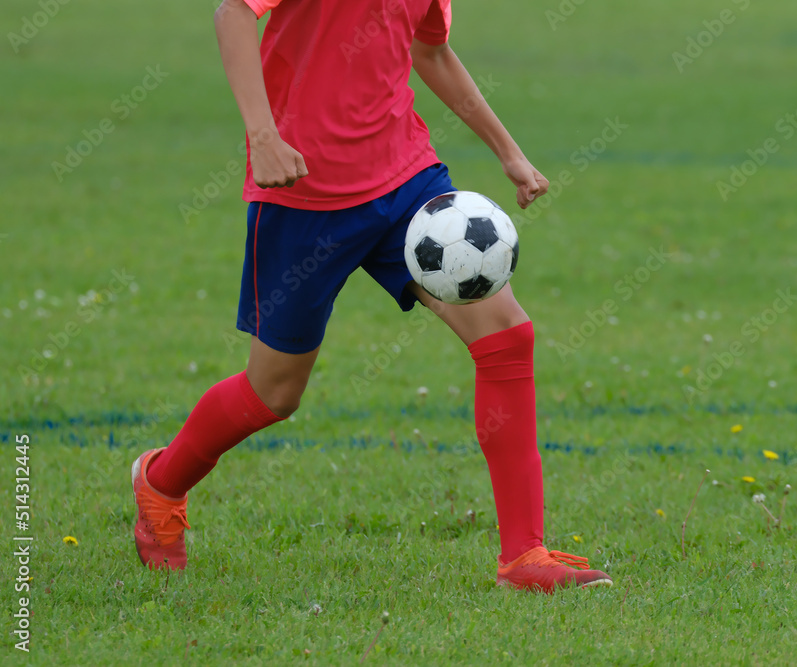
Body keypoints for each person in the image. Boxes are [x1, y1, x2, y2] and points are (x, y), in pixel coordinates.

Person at [130, 0, 612, 593]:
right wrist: (264, 135)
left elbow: (429, 51)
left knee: (507, 335)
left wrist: (507, 151)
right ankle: (161, 483)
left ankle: (523, 555)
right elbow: (232, 12)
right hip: (301, 191)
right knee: (274, 393)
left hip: (405, 180)